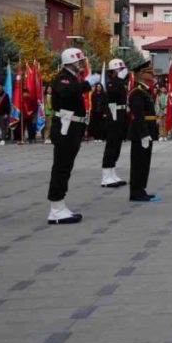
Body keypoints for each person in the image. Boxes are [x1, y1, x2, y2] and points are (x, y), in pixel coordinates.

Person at [47, 48, 99, 224]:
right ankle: (55, 207)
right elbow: (66, 92)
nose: (82, 64)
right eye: (80, 61)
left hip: (72, 126)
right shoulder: (63, 77)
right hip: (65, 126)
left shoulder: (71, 78)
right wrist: (87, 84)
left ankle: (59, 205)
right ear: (71, 62)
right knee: (61, 167)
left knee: (66, 167)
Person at [126, 60, 159, 202]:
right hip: (141, 133)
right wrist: (144, 134)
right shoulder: (137, 92)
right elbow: (139, 116)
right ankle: (136, 191)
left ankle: (141, 189)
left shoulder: (144, 90)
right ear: (141, 74)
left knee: (144, 162)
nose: (152, 75)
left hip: (146, 131)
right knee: (138, 162)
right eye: (149, 72)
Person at [100, 59, 128, 188]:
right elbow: (113, 94)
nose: (124, 72)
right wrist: (119, 80)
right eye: (121, 69)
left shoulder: (120, 82)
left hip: (120, 115)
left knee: (117, 145)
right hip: (113, 115)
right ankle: (106, 176)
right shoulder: (112, 83)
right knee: (111, 145)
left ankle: (112, 172)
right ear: (115, 71)